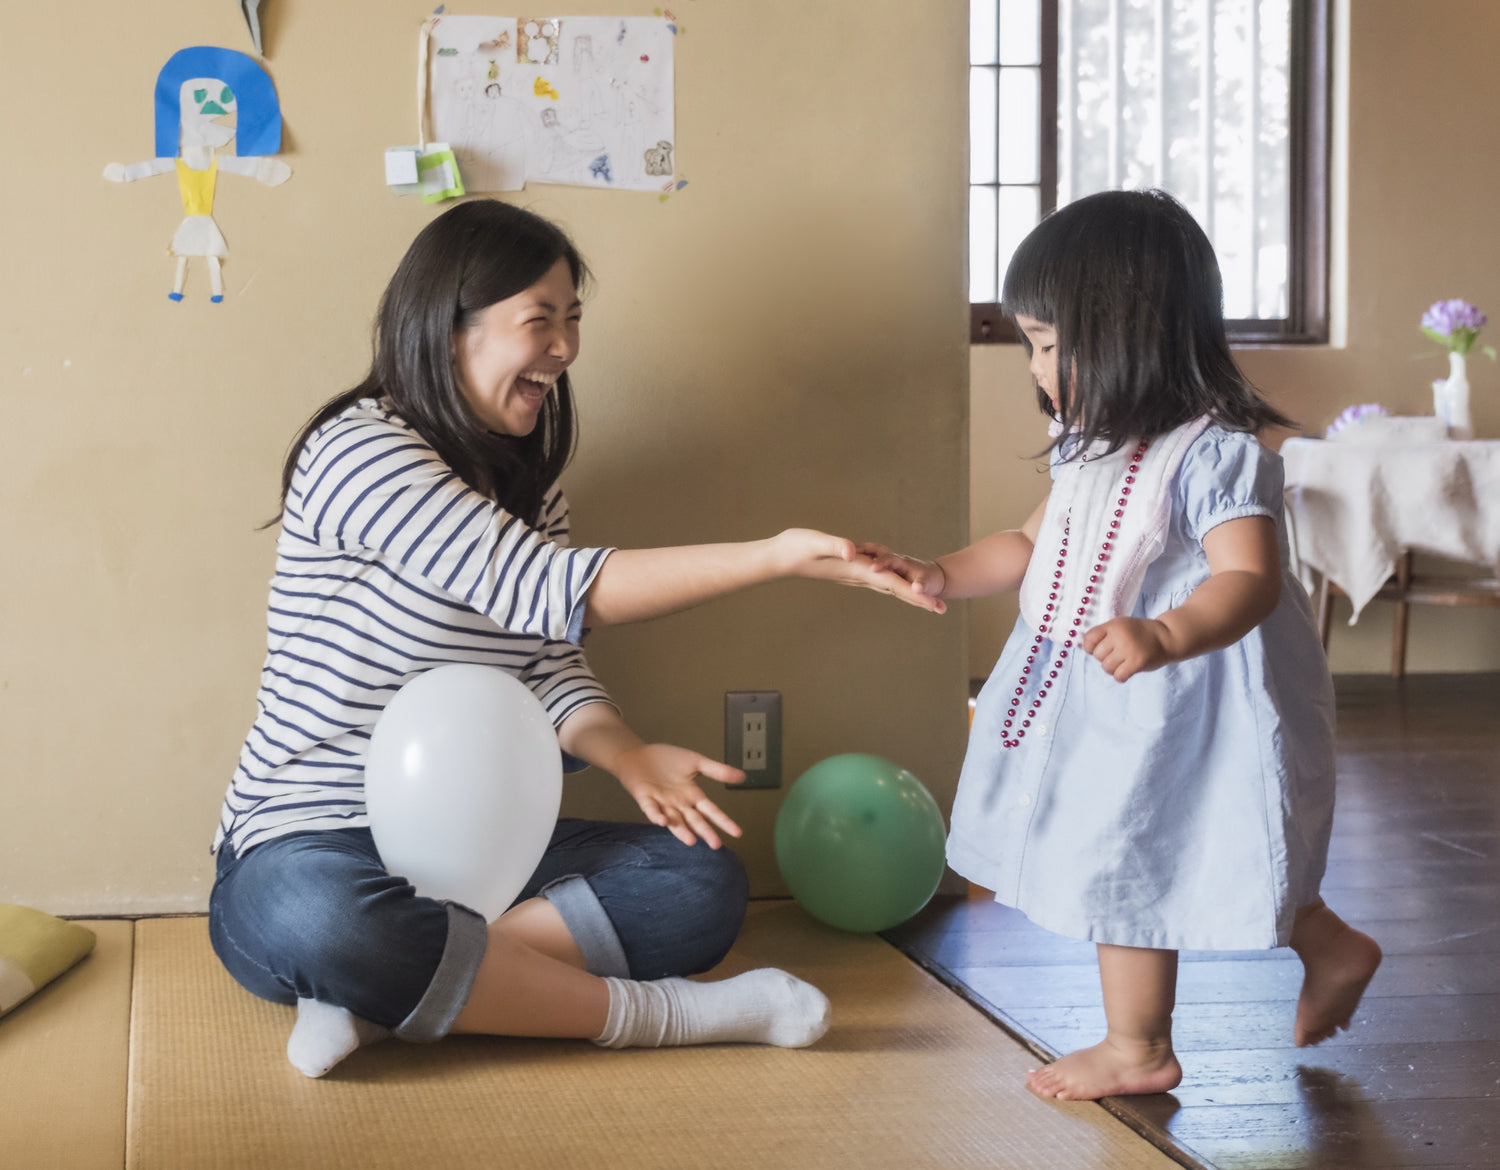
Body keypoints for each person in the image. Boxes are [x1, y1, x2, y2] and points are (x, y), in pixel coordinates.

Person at [209, 198, 938, 1079]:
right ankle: (665, 1016)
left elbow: (545, 661)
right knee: (323, 921)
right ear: (448, 331)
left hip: (483, 844)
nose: (566, 348)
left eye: (574, 320)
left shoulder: (526, 481)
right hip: (311, 836)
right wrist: (774, 555)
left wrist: (628, 757)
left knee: (698, 880)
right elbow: (551, 589)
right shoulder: (358, 452)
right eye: (539, 322)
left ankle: (384, 993)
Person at [861, 189, 1382, 1102]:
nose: (1037, 367)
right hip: (1101, 685)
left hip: (1187, 693)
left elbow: (1249, 577)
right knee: (1171, 841)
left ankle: (1138, 1048)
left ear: (1132, 330)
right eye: (1031, 343)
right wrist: (939, 571)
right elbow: (1031, 546)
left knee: (1136, 848)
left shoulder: (1215, 453)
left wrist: (1166, 631)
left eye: (1051, 343)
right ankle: (1330, 944)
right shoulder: (1084, 444)